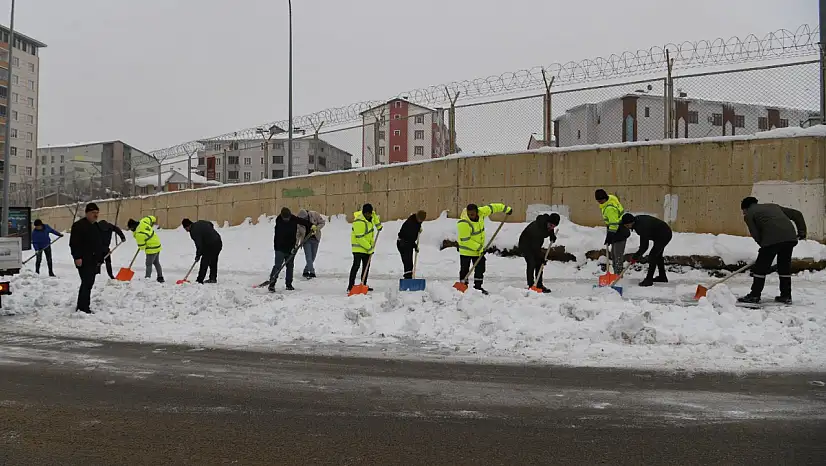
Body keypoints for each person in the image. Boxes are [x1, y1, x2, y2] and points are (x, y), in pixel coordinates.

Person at [738, 197, 807, 304]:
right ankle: (786, 295)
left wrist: (764, 248)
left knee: (760, 269)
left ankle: (754, 295)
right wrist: (802, 232)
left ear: (745, 208)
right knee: (784, 267)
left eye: (743, 211)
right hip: (790, 238)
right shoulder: (773, 206)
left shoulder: (749, 214)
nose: (743, 213)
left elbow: (755, 234)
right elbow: (797, 214)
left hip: (772, 240)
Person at [457, 202, 512, 295]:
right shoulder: (463, 223)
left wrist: (506, 209)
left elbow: (493, 207)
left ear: (477, 212)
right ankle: (463, 286)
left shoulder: (482, 212)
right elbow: (466, 240)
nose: (471, 216)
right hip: (466, 250)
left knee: (480, 268)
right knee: (465, 269)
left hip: (478, 251)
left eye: (473, 214)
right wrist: (480, 248)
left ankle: (478, 287)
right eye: (469, 214)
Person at [69, 203, 107, 314]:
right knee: (86, 282)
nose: (95, 215)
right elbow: (74, 243)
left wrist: (103, 252)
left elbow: (98, 242)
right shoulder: (78, 226)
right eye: (93, 213)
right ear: (87, 213)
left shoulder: (96, 226)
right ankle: (82, 307)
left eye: (97, 213)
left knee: (89, 283)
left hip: (94, 259)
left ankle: (84, 305)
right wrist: (77, 257)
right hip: (83, 259)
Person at [269, 207, 313, 292]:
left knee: (290, 267)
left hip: (291, 248)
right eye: (285, 218)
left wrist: (311, 225)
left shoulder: (293, 218)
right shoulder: (279, 222)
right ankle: (272, 283)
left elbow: (302, 221)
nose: (287, 219)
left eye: (288, 218)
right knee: (277, 266)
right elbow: (280, 239)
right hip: (280, 248)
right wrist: (287, 248)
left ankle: (289, 284)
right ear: (282, 217)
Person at [622, 213, 672, 287]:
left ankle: (649, 280)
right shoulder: (637, 222)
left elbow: (644, 246)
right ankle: (662, 277)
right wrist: (636, 256)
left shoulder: (641, 227)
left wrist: (635, 257)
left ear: (631, 222)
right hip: (660, 233)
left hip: (664, 234)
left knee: (652, 256)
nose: (626, 227)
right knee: (658, 256)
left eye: (626, 225)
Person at [518, 213, 559, 293]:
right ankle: (531, 286)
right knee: (532, 263)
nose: (551, 228)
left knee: (539, 264)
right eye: (550, 225)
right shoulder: (537, 228)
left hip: (536, 244)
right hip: (526, 245)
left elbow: (550, 230)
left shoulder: (548, 225)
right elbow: (535, 248)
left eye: (554, 226)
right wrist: (541, 258)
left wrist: (552, 235)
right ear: (547, 222)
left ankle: (539, 285)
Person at [348, 203, 383, 293]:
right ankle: (350, 286)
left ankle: (363, 284)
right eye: (367, 213)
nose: (369, 215)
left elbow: (374, 216)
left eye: (370, 213)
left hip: (367, 248)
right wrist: (369, 248)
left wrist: (378, 225)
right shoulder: (359, 221)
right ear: (363, 213)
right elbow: (359, 238)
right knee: (356, 266)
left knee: (366, 267)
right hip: (358, 248)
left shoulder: (371, 218)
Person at [595, 189, 630, 275]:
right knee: (615, 255)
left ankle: (618, 277)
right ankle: (616, 274)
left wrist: (610, 236)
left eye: (600, 200)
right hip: (617, 230)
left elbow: (614, 224)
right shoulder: (611, 198)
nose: (599, 202)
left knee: (617, 256)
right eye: (598, 201)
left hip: (619, 232)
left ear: (604, 198)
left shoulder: (609, 208)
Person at [182, 218, 223, 284]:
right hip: (218, 241)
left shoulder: (193, 231)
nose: (186, 231)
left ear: (188, 226)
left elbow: (199, 245)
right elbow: (210, 224)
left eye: (185, 228)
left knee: (204, 262)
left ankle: (199, 280)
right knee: (213, 261)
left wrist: (198, 256)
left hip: (211, 244)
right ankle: (213, 278)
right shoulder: (200, 222)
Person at [127, 216, 164, 283]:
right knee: (156, 262)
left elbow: (142, 247)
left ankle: (147, 278)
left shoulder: (139, 233)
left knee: (148, 264)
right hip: (157, 244)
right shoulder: (143, 221)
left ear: (133, 227)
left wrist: (142, 244)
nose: (131, 230)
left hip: (151, 248)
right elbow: (152, 218)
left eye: (131, 229)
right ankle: (160, 277)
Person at [296, 209, 326, 279]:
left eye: (306, 218)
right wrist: (296, 244)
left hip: (315, 238)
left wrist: (316, 228)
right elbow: (297, 234)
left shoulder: (314, 214)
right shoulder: (298, 222)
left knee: (313, 257)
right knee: (308, 257)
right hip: (306, 240)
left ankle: (306, 270)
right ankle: (312, 272)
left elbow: (322, 223)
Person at [397, 210, 427, 279]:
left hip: (408, 243)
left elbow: (411, 238)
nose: (421, 221)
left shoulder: (416, 222)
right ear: (417, 217)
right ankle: (408, 278)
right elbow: (408, 237)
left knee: (409, 262)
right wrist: (414, 246)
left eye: (422, 220)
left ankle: (409, 277)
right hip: (403, 243)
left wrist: (418, 230)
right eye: (420, 220)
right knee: (407, 262)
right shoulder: (411, 223)